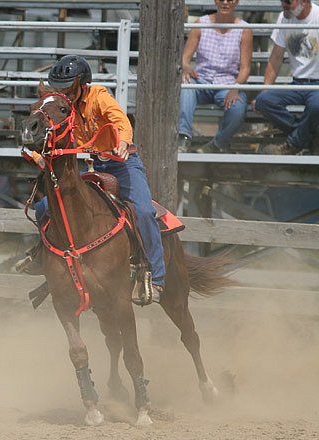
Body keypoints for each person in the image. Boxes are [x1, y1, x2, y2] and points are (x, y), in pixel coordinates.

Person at [20, 55, 166, 303]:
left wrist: (122, 142)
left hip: (123, 163)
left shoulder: (99, 96)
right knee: (44, 207)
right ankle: (46, 258)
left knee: (142, 210)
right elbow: (49, 137)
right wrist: (36, 156)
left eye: (67, 86)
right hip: (92, 165)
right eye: (59, 87)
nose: (63, 91)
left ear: (81, 85)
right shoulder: (61, 108)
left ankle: (156, 277)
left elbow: (121, 121)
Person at [178, 0, 253, 154]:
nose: (225, 3)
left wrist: (236, 87)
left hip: (227, 84)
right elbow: (185, 57)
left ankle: (218, 143)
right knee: (186, 86)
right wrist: (186, 66)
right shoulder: (201, 24)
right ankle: (183, 137)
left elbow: (245, 68)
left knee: (238, 106)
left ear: (236, 2)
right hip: (202, 80)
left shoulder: (244, 29)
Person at [254, 0, 319, 155]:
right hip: (296, 83)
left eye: (288, 2)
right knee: (263, 101)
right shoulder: (284, 18)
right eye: (282, 1)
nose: (284, 5)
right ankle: (308, 138)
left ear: (304, 2)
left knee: (316, 105)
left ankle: (293, 144)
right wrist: (264, 90)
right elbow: (276, 58)